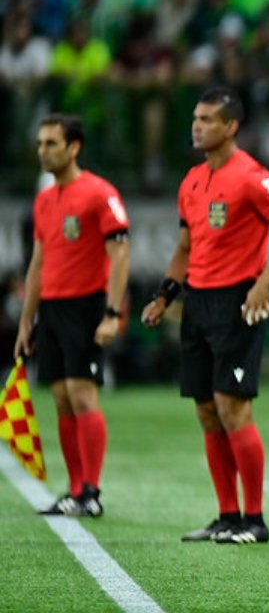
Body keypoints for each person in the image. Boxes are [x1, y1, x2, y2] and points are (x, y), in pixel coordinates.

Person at [141, 87, 269, 545]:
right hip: (197, 302)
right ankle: (226, 516)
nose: (197, 126)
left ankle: (254, 521)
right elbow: (185, 247)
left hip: (237, 302)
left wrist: (264, 283)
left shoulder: (252, 177)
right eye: (195, 118)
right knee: (206, 410)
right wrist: (164, 296)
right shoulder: (193, 180)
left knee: (233, 407)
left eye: (208, 119)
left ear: (231, 126)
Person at [13, 113, 130, 517]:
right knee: (62, 398)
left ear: (74, 147)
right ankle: (76, 489)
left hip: (87, 305)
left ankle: (91, 492)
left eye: (51, 144)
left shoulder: (100, 194)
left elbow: (120, 256)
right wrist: (27, 321)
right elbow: (38, 265)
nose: (43, 151)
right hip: (53, 308)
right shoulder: (45, 200)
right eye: (40, 144)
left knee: (82, 393)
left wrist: (112, 313)